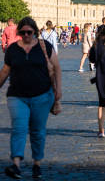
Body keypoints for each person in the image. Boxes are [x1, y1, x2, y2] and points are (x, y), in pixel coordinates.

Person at [0, 17, 62, 179]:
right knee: (19, 128)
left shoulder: (44, 47)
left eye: (29, 32)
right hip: (17, 96)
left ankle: (37, 164)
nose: (26, 35)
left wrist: (58, 90)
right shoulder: (13, 49)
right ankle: (16, 164)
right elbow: (5, 71)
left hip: (41, 96)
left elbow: (56, 68)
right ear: (19, 32)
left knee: (37, 130)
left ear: (35, 32)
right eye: (23, 32)